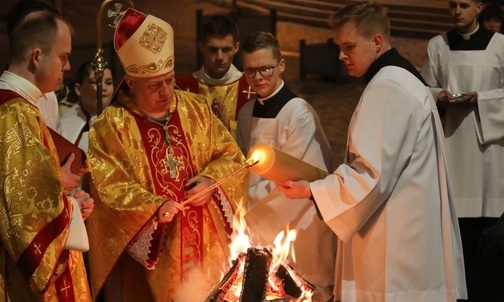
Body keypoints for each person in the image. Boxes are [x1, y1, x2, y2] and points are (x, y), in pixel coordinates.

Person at [275, 1, 467, 301]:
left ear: (376, 41)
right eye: (339, 46)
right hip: (412, 228)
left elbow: (370, 175)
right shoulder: (401, 76)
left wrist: (313, 191)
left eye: (349, 46)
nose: (341, 55)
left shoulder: (387, 87)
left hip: (394, 240)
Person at [86, 8, 248, 301]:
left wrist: (211, 181)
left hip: (207, 248)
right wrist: (154, 208)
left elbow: (233, 157)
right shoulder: (110, 127)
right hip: (153, 258)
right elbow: (107, 190)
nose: (166, 92)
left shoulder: (196, 109)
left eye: (170, 80)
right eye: (155, 85)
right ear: (132, 82)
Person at [235, 31, 337, 300]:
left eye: (265, 69)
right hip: (262, 223)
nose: (258, 78)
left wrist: (248, 217)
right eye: (250, 71)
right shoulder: (246, 114)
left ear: (281, 66)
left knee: (304, 290)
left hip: (300, 222)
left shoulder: (298, 113)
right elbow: (245, 171)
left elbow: (298, 178)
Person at [0, 9, 92, 300]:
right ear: (37, 57)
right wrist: (73, 209)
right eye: (63, 57)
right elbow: (25, 219)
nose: (67, 67)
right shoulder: (16, 113)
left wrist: (62, 198)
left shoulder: (19, 107)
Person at [421, 0, 504, 300]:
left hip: (489, 149)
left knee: (489, 231)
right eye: (453, 5)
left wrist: (481, 99)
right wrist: (437, 95)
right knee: (457, 229)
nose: (457, 11)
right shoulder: (438, 45)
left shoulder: (500, 45)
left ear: (479, 8)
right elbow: (424, 88)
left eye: (464, 4)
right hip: (452, 142)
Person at [175, 14, 254, 137]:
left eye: (226, 50)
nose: (219, 57)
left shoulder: (252, 86)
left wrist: (228, 125)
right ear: (201, 46)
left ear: (236, 48)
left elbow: (262, 133)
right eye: (213, 49)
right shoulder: (180, 88)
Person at [60, 61, 114, 151]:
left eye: (108, 83)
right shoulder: (64, 124)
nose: (103, 88)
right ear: (78, 89)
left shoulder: (120, 119)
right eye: (95, 82)